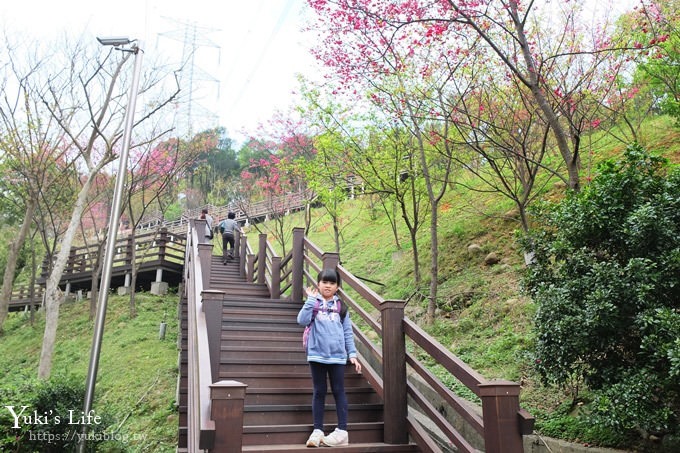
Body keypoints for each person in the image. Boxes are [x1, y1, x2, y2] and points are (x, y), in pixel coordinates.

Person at [297, 268, 362, 448]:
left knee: (339, 391)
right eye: (324, 282)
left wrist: (353, 355)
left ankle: (342, 432)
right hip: (316, 355)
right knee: (319, 391)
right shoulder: (313, 303)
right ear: (318, 284)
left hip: (338, 357)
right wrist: (310, 300)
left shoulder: (341, 307)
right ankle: (317, 430)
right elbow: (301, 320)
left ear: (337, 287)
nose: (328, 285)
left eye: (332, 283)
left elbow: (348, 332)